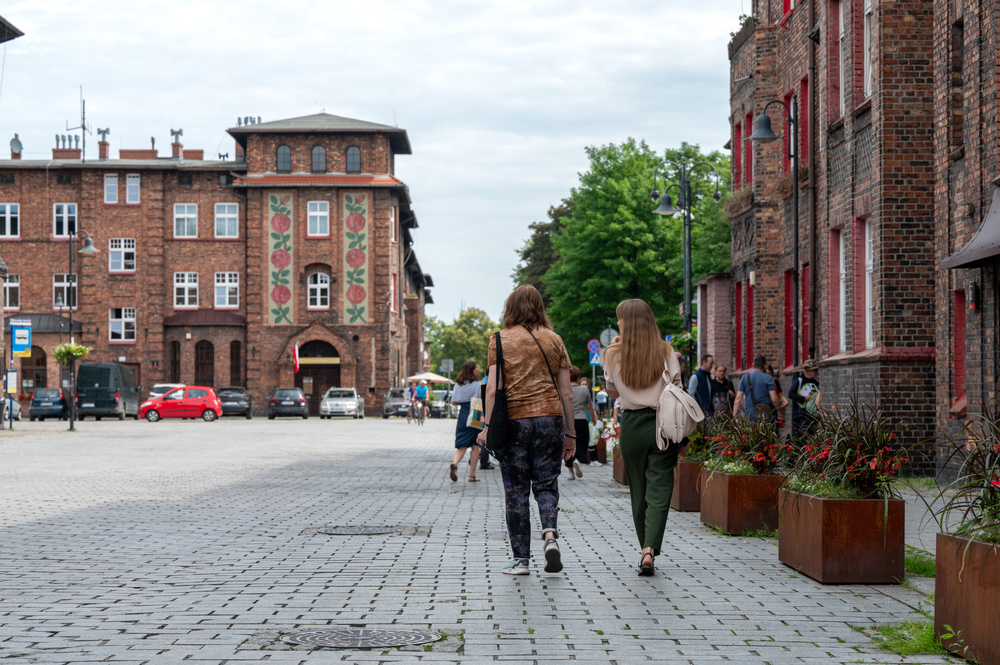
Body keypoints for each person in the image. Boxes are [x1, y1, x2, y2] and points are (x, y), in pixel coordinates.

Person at [476, 285, 574, 576]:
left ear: (510, 308)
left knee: (516, 491)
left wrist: (487, 427)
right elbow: (566, 393)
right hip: (550, 419)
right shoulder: (555, 339)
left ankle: (521, 561)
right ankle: (550, 535)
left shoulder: (499, 339)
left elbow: (492, 389)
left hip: (514, 422)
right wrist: (571, 434)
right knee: (546, 483)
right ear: (539, 307)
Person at [604, 298, 682, 577]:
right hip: (663, 424)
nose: (617, 322)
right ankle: (649, 550)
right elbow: (677, 386)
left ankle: (644, 549)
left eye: (619, 318)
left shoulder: (613, 353)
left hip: (632, 425)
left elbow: (612, 391)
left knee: (638, 490)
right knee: (660, 489)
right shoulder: (665, 350)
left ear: (628, 322)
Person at [450, 361, 483, 482]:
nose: (478, 369)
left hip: (463, 415)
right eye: (476, 367)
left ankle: (455, 463)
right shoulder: (479, 384)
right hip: (475, 414)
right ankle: (471, 475)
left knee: (462, 446)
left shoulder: (458, 384)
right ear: (472, 370)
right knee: (475, 446)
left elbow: (453, 402)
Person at [565, 366, 596, 479]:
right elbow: (589, 406)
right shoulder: (584, 389)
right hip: (581, 420)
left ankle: (570, 473)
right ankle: (578, 460)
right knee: (582, 442)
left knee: (568, 445)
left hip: (568, 420)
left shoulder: (564, 389)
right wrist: (593, 417)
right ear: (578, 377)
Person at [732, 355, 782, 420]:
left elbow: (738, 398)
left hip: (749, 414)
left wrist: (734, 416)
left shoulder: (745, 377)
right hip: (764, 415)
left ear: (753, 364)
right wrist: (779, 411)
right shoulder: (769, 378)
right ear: (765, 366)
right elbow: (774, 399)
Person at [789, 359, 821, 441]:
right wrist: (804, 399)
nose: (816, 372)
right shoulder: (800, 380)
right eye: (814, 370)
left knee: (810, 439)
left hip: (812, 416)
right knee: (800, 441)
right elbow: (791, 394)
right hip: (800, 416)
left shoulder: (816, 383)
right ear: (807, 371)